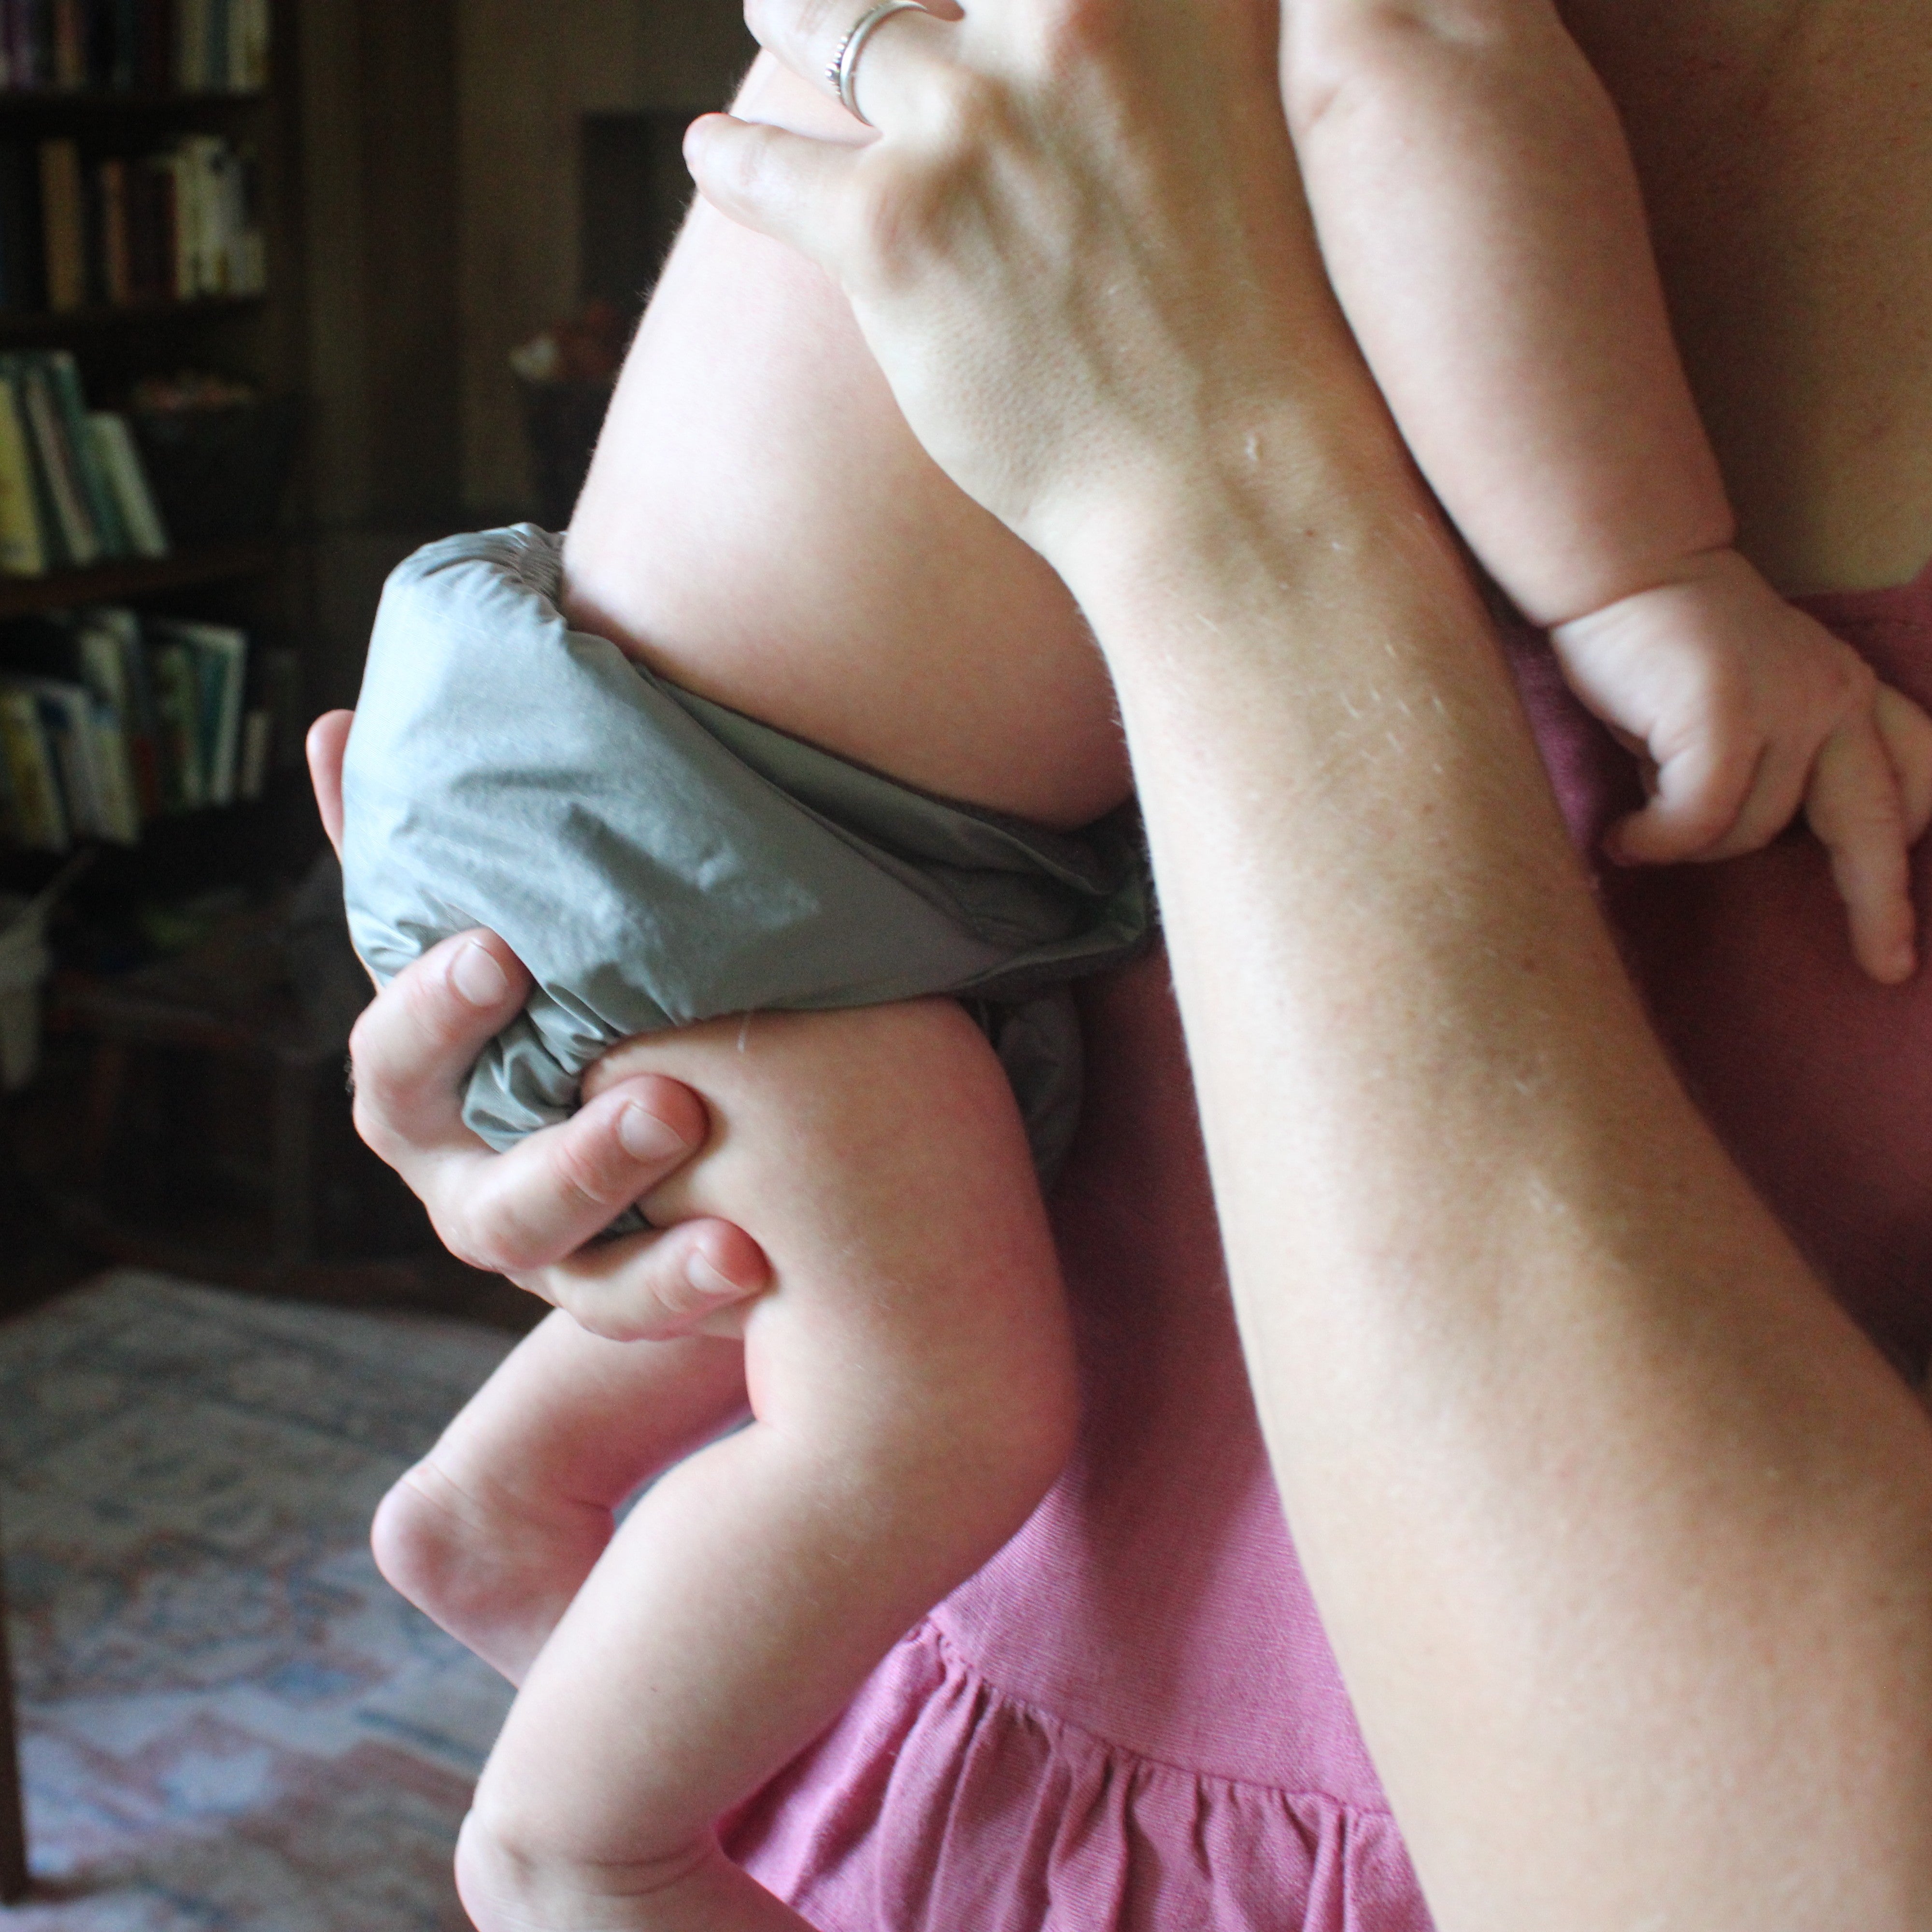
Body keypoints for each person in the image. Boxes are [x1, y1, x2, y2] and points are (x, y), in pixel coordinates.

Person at [309, 0, 1932, 1924]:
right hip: (731, 821)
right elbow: (1412, 75)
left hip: (702, 785)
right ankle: (574, 1836)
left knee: (875, 1281)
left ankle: (494, 1510)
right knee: (930, 1410)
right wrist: (1644, 583)